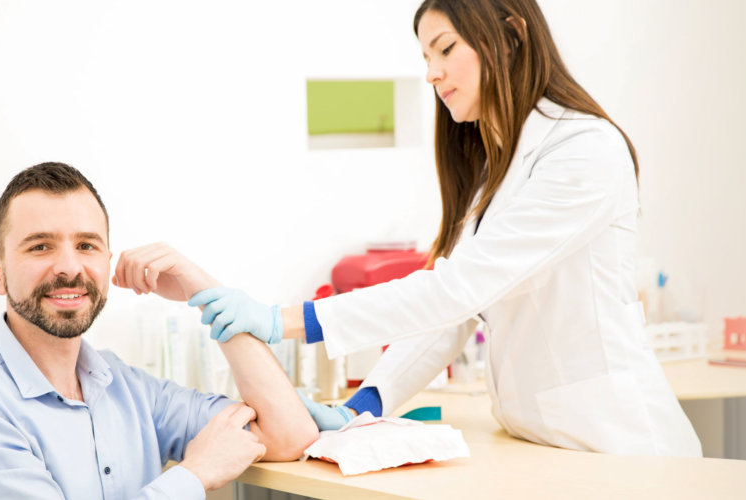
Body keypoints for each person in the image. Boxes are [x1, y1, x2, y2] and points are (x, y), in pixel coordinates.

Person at [131, 0, 700, 456]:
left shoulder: (584, 152)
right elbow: (455, 313)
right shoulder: (492, 176)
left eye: (445, 49)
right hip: (544, 443)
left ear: (510, 33)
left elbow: (456, 291)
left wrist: (285, 321)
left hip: (621, 446)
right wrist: (367, 403)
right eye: (426, 55)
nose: (431, 73)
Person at [0, 162, 317, 500]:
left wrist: (205, 291)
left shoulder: (123, 386)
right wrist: (194, 475)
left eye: (87, 246)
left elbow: (287, 434)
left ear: (108, 264)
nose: (69, 268)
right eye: (40, 246)